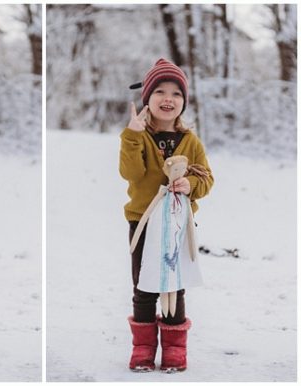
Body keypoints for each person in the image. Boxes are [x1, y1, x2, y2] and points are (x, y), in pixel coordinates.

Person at [120, 58, 214, 372]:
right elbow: (130, 173)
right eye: (159, 91)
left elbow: (207, 178)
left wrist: (192, 184)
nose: (168, 98)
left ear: (183, 103)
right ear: (147, 99)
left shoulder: (191, 141)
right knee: (144, 286)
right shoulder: (137, 137)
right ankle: (143, 347)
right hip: (144, 222)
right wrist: (132, 135)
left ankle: (175, 347)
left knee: (175, 284)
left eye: (176, 93)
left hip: (177, 223)